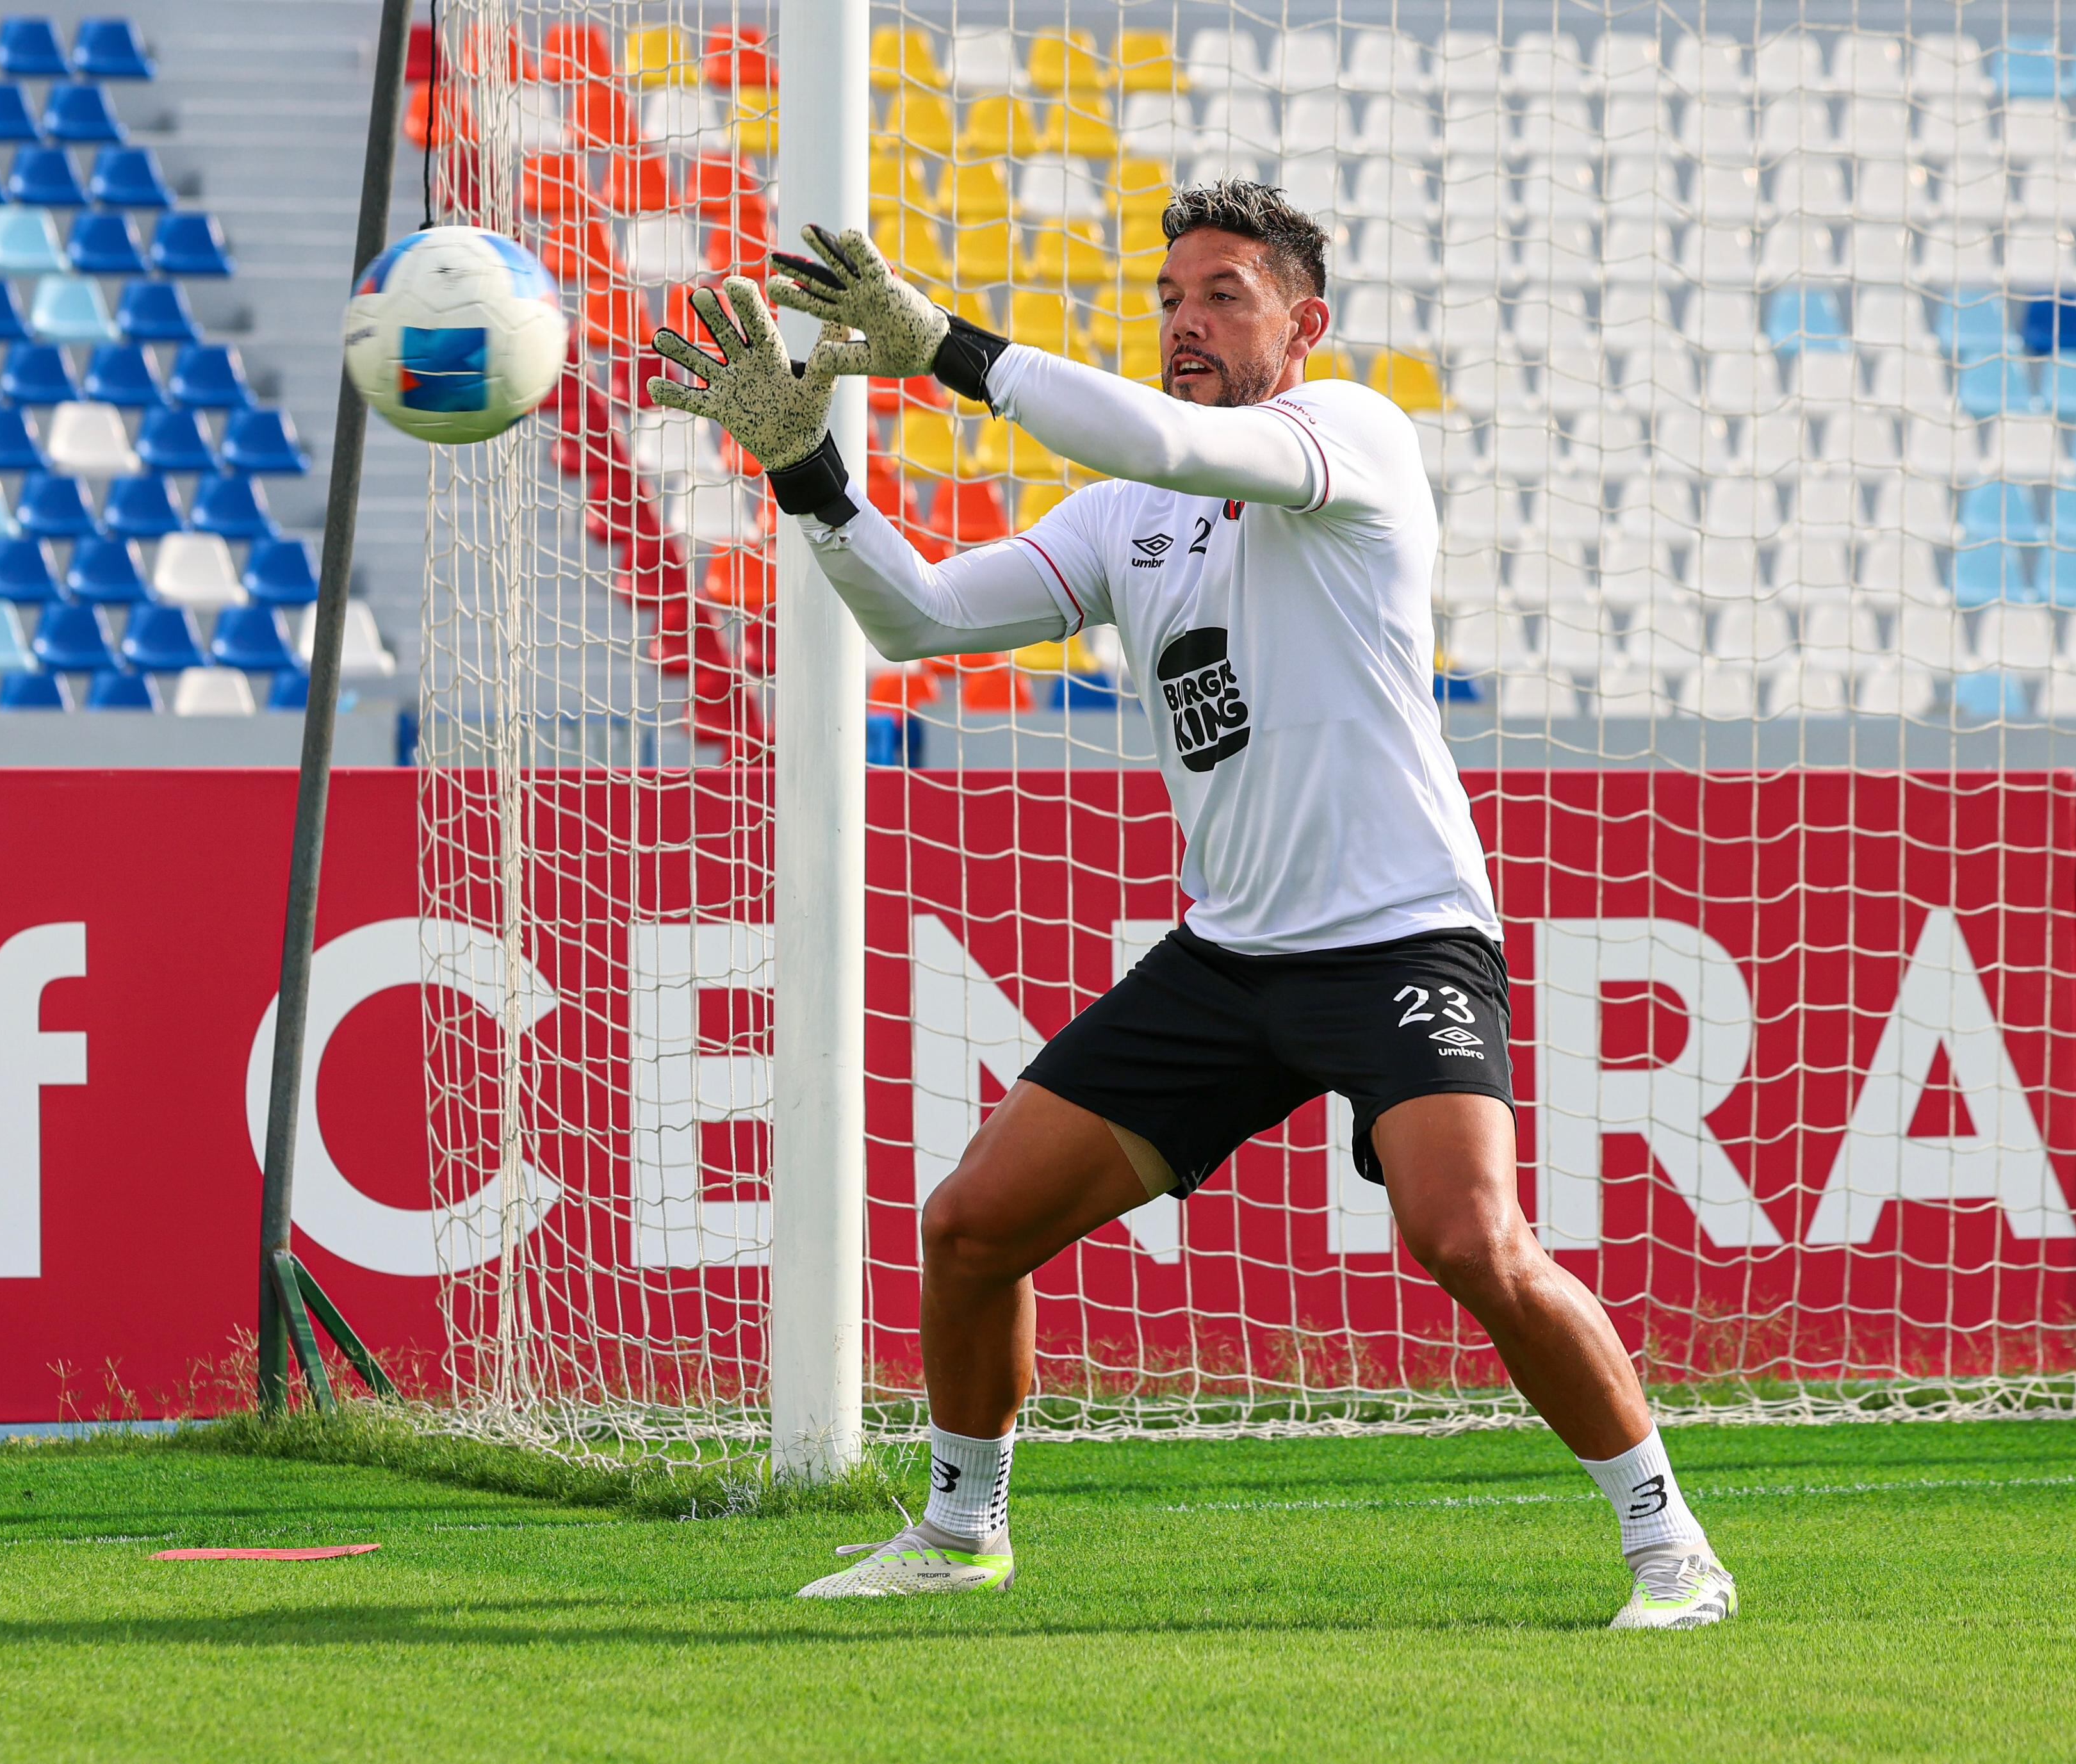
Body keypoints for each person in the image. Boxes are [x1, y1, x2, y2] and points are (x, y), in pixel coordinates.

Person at [646, 180, 1735, 1629]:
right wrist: (810, 476)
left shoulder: (1350, 435)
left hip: (1400, 933)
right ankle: (961, 1529)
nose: (1186, 321)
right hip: (1228, 959)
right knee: (972, 1226)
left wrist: (947, 348)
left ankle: (1672, 1549)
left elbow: (1172, 434)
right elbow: (919, 622)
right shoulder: (1127, 518)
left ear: (1305, 322)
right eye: (1169, 299)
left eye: (1224, 293)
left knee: (1469, 1239)